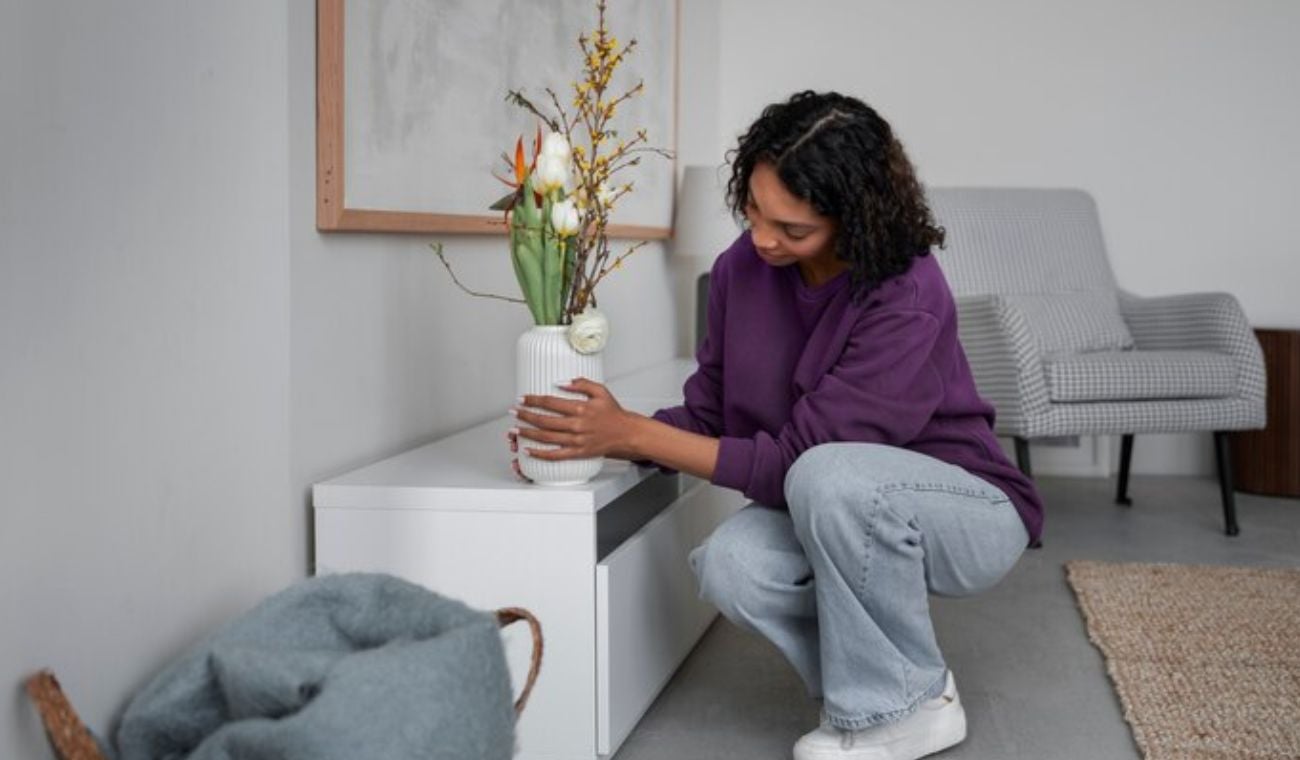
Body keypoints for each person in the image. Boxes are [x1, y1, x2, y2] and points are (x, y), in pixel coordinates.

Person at [507, 90, 1043, 760]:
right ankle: (910, 694)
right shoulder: (742, 269)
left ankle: (895, 709)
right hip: (833, 496)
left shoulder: (907, 292)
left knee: (827, 472)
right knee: (732, 566)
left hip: (967, 508)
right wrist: (588, 436)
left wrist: (631, 434)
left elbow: (802, 460)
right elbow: (708, 414)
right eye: (754, 210)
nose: (763, 238)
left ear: (856, 219)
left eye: (793, 230)